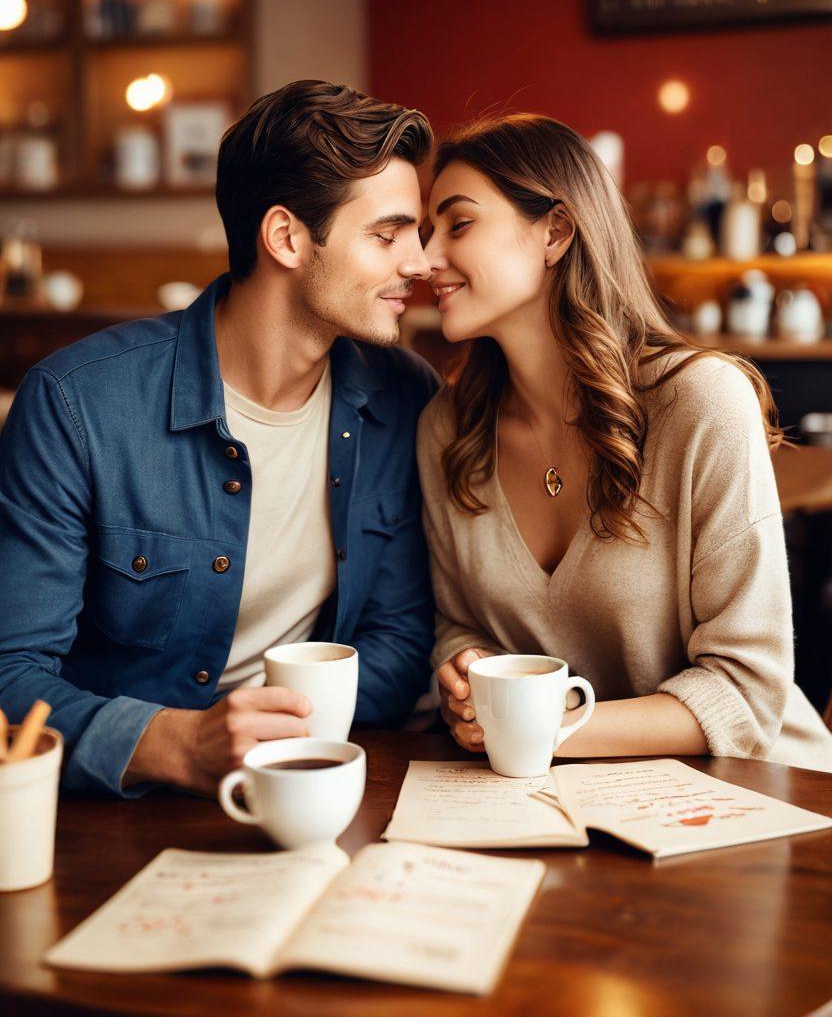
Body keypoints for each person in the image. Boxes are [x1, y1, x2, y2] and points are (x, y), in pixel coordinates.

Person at [0, 80, 438, 796]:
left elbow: (397, 634)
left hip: (315, 788)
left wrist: (289, 742)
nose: (419, 264)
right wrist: (177, 744)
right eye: (388, 236)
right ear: (287, 237)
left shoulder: (405, 395)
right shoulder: (76, 405)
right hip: (113, 811)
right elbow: (9, 675)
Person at [419, 113, 832, 771]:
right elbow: (460, 625)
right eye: (423, 233)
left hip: (766, 796)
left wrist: (546, 727)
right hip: (569, 800)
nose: (423, 259)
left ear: (554, 231)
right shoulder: (446, 429)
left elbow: (748, 691)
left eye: (457, 224)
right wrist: (469, 677)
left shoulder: (701, 404)